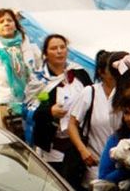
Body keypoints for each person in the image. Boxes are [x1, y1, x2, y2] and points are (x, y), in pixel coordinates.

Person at [64, 51, 130, 189]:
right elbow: (72, 124)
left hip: (123, 167)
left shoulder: (128, 95)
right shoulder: (90, 93)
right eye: (111, 69)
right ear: (102, 72)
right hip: (95, 166)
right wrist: (83, 150)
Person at [28, 33, 90, 168]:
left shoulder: (79, 73)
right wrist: (50, 112)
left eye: (62, 47)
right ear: (45, 53)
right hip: (52, 145)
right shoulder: (38, 80)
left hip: (80, 142)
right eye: (54, 48)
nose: (59, 51)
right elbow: (29, 110)